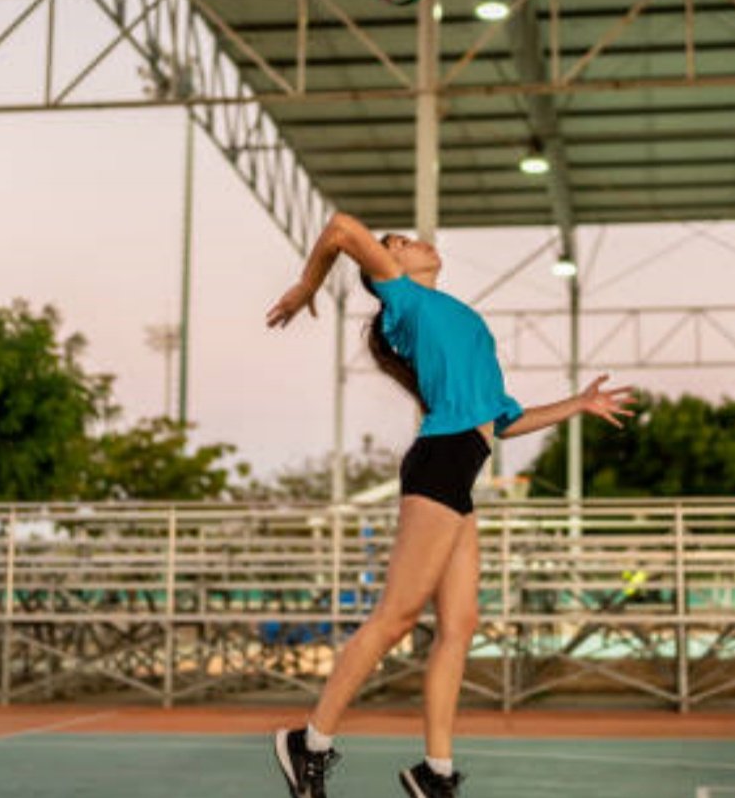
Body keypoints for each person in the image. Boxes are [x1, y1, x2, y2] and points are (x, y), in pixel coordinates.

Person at [265, 213, 634, 798]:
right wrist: (308, 286)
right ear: (387, 270)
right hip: (440, 464)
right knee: (397, 617)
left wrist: (578, 404)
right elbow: (338, 229)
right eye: (395, 244)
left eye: (404, 238)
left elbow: (505, 421)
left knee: (459, 625)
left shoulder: (456, 318)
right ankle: (307, 743)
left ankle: (433, 774)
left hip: (463, 470)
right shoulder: (404, 301)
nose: (408, 241)